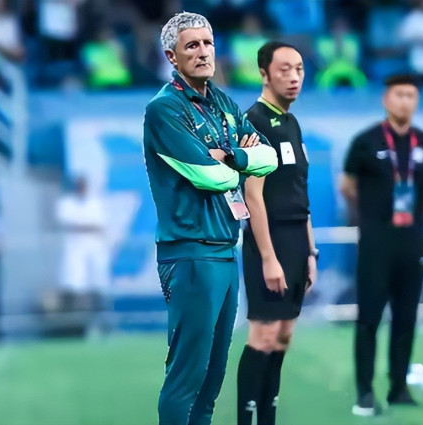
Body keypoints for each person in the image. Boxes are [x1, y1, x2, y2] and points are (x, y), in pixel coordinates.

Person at [143, 12, 277, 425]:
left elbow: (269, 158)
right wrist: (238, 163)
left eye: (208, 43)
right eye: (192, 46)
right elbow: (209, 176)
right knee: (187, 378)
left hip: (223, 249)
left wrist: (231, 156)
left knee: (212, 380)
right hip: (190, 252)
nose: (203, 52)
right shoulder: (165, 109)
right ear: (172, 56)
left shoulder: (221, 102)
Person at [340, 74, 423, 416]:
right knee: (369, 317)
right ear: (386, 99)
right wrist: (371, 216)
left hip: (412, 241)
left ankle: (399, 387)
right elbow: (347, 185)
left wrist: (413, 214)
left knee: (406, 317)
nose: (405, 101)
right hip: (376, 242)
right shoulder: (366, 142)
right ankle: (365, 390)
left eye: (411, 95)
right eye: (399, 95)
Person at [237, 41, 316, 425]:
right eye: (284, 69)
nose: (294, 77)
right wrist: (268, 257)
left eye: (299, 69)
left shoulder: (292, 123)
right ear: (264, 74)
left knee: (283, 335)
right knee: (263, 336)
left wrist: (310, 252)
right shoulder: (253, 122)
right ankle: (246, 418)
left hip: (297, 241)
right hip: (268, 241)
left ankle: (267, 418)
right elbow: (253, 196)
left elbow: (301, 192)